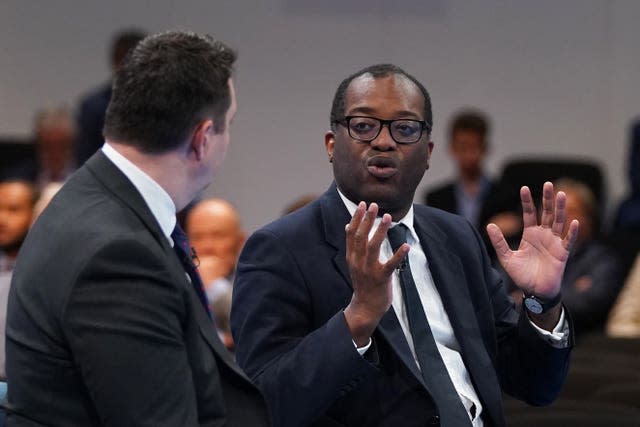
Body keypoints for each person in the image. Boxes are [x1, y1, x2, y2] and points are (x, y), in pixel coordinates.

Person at [231, 64, 578, 427]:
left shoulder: (456, 238)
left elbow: (535, 385)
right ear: (331, 145)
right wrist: (358, 318)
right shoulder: (279, 249)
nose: (384, 141)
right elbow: (264, 404)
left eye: (405, 129)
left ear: (427, 153)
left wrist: (543, 304)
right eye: (363, 126)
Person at [5, 31, 268, 426]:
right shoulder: (117, 256)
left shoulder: (89, 199)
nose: (227, 139)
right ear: (201, 139)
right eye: (227, 124)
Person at [510, 179, 623, 337]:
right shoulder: (520, 251)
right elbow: (496, 296)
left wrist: (528, 299)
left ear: (588, 219)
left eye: (572, 210)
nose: (561, 216)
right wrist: (568, 292)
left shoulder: (603, 259)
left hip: (579, 342)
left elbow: (588, 304)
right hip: (518, 336)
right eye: (555, 209)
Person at [75, 29, 147, 167]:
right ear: (115, 61)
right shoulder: (94, 108)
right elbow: (86, 160)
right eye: (124, 60)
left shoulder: (162, 104)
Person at [185, 198, 245, 350]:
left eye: (218, 235)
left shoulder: (260, 282)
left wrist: (215, 286)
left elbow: (250, 331)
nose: (207, 246)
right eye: (197, 237)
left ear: (240, 242)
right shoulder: (179, 284)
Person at [0, 179, 37, 380]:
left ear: (35, 215)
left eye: (13, 210)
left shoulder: (43, 272)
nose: (2, 219)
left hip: (23, 389)